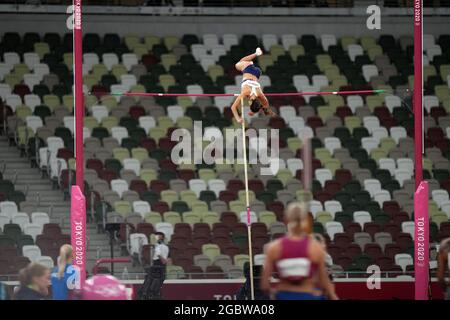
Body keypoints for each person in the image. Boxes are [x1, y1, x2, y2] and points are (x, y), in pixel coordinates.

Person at [260, 203, 338, 300]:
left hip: (283, 296)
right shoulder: (315, 248)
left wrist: (274, 294)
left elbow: (264, 285)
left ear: (286, 220)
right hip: (308, 295)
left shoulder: (274, 248)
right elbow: (324, 282)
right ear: (305, 222)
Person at [231, 47, 276, 124]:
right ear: (250, 103)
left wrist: (257, 111)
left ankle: (254, 58)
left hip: (257, 73)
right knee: (238, 63)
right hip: (248, 69)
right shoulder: (246, 92)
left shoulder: (260, 94)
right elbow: (233, 107)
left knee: (243, 61)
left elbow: (265, 106)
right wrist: (238, 119)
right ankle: (256, 54)